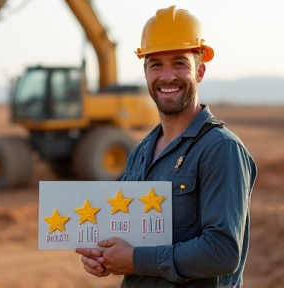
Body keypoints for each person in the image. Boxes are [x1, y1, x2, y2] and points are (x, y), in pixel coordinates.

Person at [76, 5, 257, 288]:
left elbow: (223, 251)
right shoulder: (141, 152)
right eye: (156, 64)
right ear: (146, 72)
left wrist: (135, 260)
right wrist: (101, 254)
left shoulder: (221, 149)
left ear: (200, 71)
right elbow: (119, 229)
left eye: (179, 63)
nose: (167, 76)